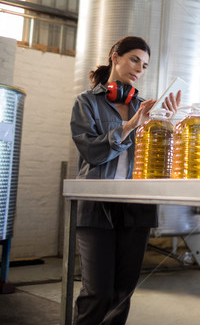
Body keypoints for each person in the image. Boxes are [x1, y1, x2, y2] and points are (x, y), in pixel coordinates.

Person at [70, 36, 181, 324]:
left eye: (144, 65)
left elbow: (159, 160)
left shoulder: (145, 108)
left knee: (122, 294)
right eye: (134, 59)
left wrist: (165, 124)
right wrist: (132, 126)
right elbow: (92, 152)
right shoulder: (86, 102)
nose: (139, 69)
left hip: (136, 204)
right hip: (97, 204)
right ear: (114, 57)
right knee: (97, 293)